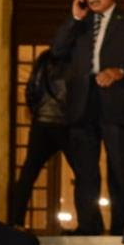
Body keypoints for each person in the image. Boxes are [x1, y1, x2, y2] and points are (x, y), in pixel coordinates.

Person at [50, 0, 124, 235]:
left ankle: (122, 228)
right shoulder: (80, 23)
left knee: (119, 169)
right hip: (82, 104)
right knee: (85, 171)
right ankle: (88, 227)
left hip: (117, 102)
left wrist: (121, 71)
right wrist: (75, 17)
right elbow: (57, 50)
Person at [9, 49, 76, 227]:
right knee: (84, 175)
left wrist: (35, 111)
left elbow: (32, 88)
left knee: (28, 174)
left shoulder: (44, 58)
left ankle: (16, 220)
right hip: (66, 123)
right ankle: (89, 223)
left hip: (42, 122)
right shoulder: (76, 58)